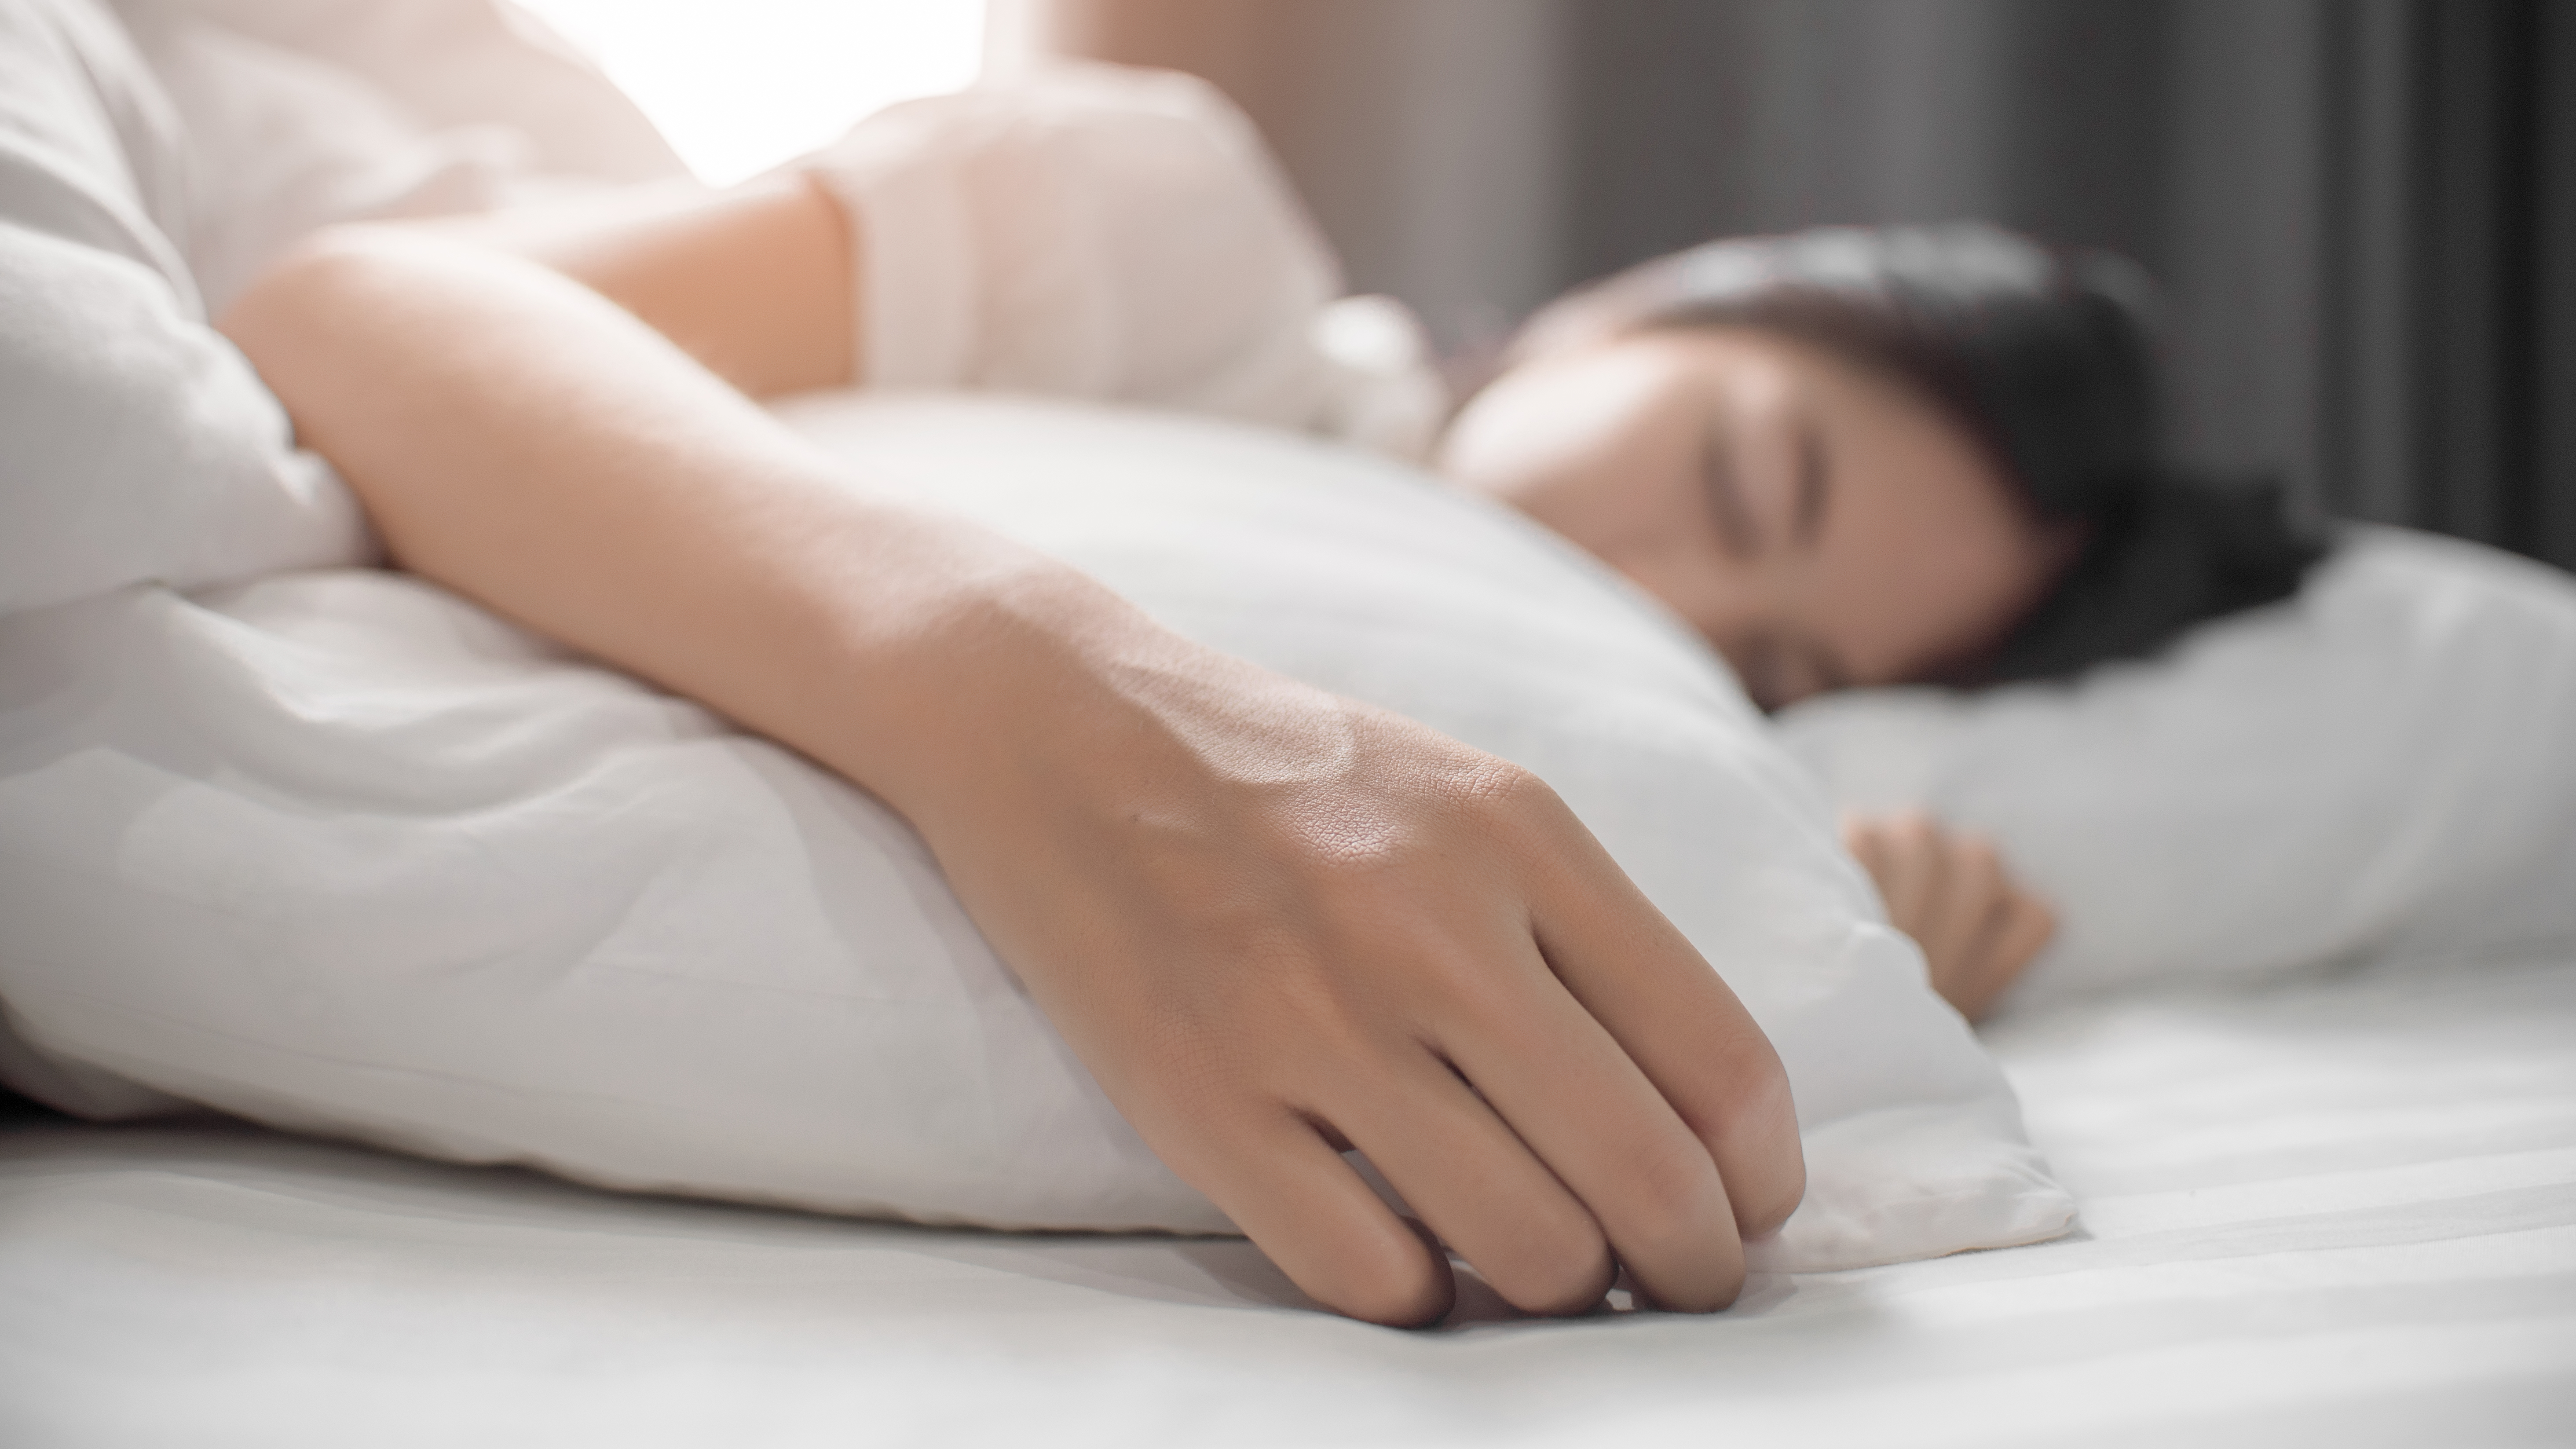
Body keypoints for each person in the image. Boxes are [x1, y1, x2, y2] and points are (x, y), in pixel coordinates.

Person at [213, 63, 2311, 1325]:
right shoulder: (1177, 236)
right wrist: (1037, 706)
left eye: (1770, 660)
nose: (1651, 586)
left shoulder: (1581, 693)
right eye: (1732, 474)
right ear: (1651, 302)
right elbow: (359, 305)